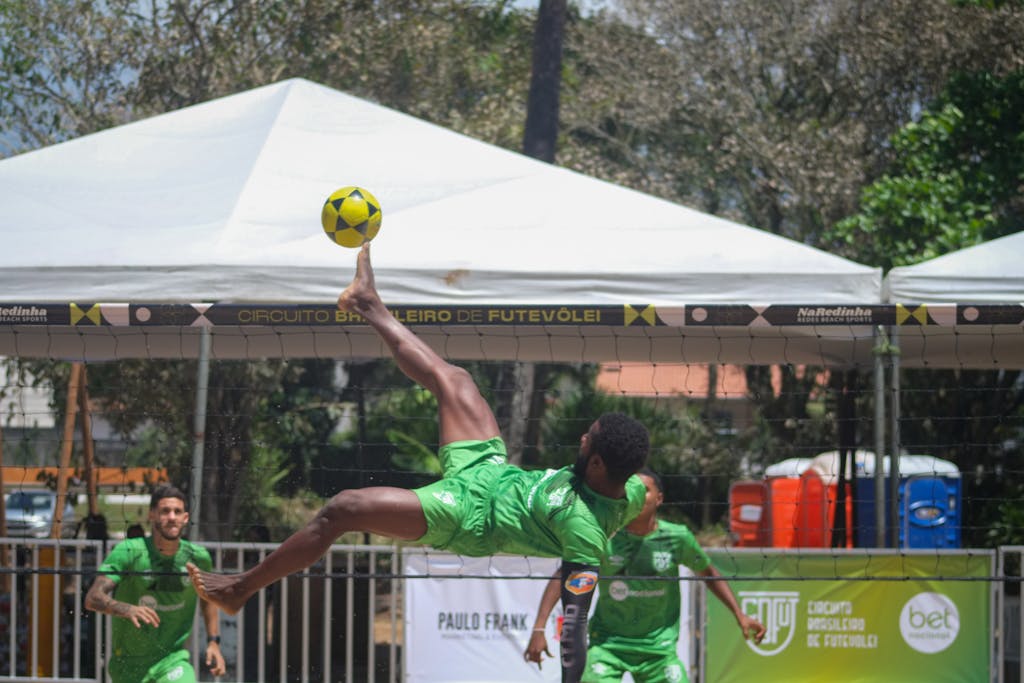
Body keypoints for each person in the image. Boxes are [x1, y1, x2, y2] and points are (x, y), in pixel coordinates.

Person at [187, 242, 651, 683]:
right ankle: (368, 302)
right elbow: (648, 492)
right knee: (453, 379)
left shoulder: (586, 535)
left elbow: (574, 631)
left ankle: (239, 589)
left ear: (595, 464)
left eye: (586, 439)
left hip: (471, 515)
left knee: (344, 507)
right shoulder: (630, 488)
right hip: (490, 470)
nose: (580, 436)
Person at [525, 468, 766, 683]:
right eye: (632, 490)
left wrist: (739, 614)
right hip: (608, 646)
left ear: (659, 499)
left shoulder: (677, 538)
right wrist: (539, 628)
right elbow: (564, 576)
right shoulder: (604, 535)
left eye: (645, 491)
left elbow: (708, 573)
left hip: (658, 650)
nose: (637, 496)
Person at [85, 484, 226, 683]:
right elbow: (92, 598)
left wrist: (214, 642)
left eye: (177, 512)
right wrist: (126, 609)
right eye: (165, 511)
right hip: (128, 665)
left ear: (185, 518)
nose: (171, 517)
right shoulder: (130, 551)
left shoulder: (198, 557)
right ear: (152, 515)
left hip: (173, 660)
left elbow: (208, 597)